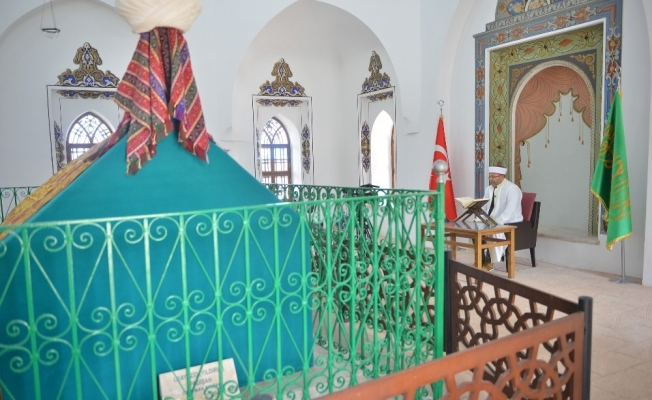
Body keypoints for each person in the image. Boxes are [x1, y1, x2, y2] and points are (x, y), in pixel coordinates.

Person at [480, 165, 523, 271]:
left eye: (493, 177)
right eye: (490, 177)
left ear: (502, 176)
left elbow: (510, 212)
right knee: (475, 229)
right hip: (491, 220)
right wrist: (480, 218)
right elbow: (484, 207)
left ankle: (489, 261)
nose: (491, 179)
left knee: (492, 231)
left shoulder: (512, 189)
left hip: (510, 221)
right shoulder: (489, 189)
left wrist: (495, 223)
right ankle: (480, 259)